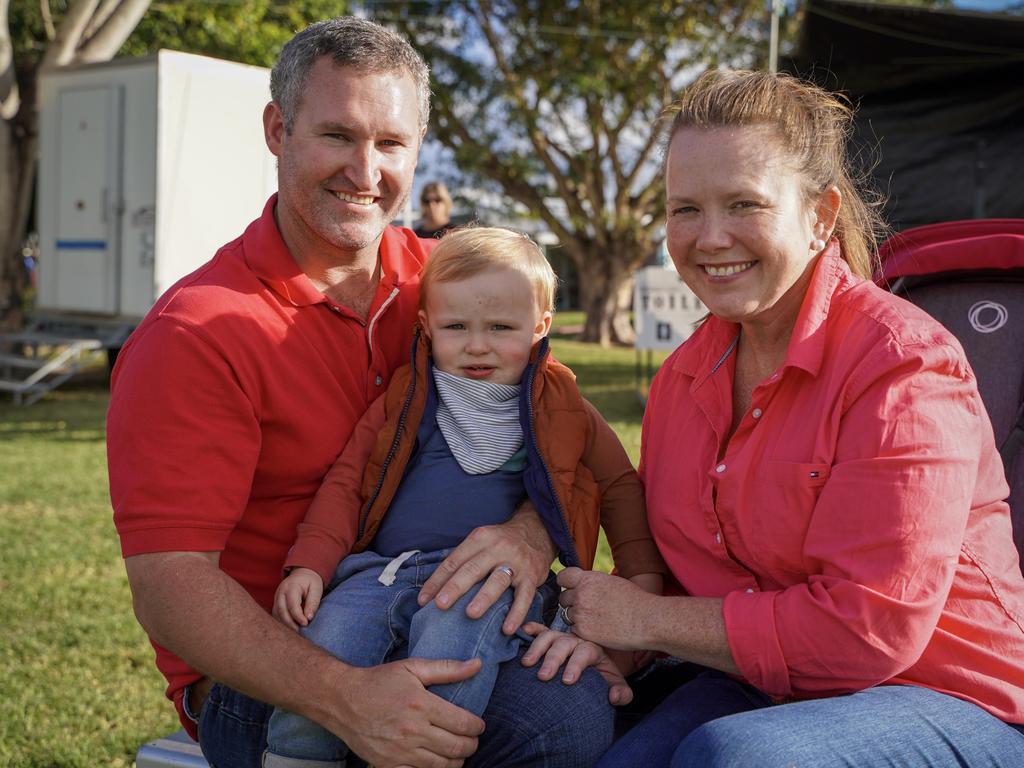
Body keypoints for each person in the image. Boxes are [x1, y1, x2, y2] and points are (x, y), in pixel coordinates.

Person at [108, 17, 615, 768]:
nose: (365, 170)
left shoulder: (449, 286)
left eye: (391, 143)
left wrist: (529, 534)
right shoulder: (198, 330)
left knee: (588, 698)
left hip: (437, 603)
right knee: (550, 724)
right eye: (337, 136)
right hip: (273, 667)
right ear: (278, 130)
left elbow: (567, 434)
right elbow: (169, 584)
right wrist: (347, 697)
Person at [542, 69, 1024, 766]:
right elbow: (680, 569)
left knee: (737, 759)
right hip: (768, 685)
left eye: (744, 204)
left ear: (821, 215)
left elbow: (866, 633)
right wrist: (609, 640)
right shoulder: (685, 376)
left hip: (954, 695)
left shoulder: (904, 367)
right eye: (685, 210)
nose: (710, 239)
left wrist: (646, 618)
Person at [264, 226, 665, 767]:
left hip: (490, 584)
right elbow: (346, 483)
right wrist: (309, 564)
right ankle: (296, 757)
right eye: (457, 327)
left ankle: (423, 753)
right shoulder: (409, 399)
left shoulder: (563, 409)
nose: (477, 345)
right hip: (383, 571)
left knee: (456, 637)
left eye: (501, 327)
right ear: (427, 325)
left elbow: (619, 489)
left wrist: (641, 586)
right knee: (329, 638)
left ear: (541, 325)